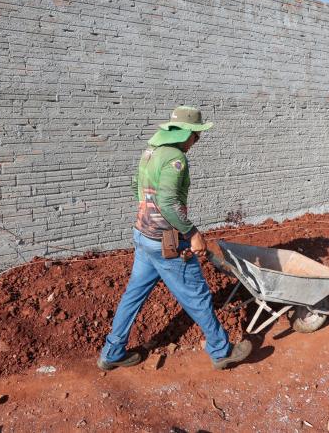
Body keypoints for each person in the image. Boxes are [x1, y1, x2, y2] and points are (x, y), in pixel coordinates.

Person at [98, 106, 253, 371]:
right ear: (184, 133)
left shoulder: (150, 151)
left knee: (133, 295)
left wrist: (148, 220)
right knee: (198, 296)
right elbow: (168, 203)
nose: (197, 140)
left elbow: (135, 184)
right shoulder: (175, 159)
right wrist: (192, 233)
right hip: (166, 241)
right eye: (195, 135)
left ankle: (112, 353)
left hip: (143, 235)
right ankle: (221, 351)